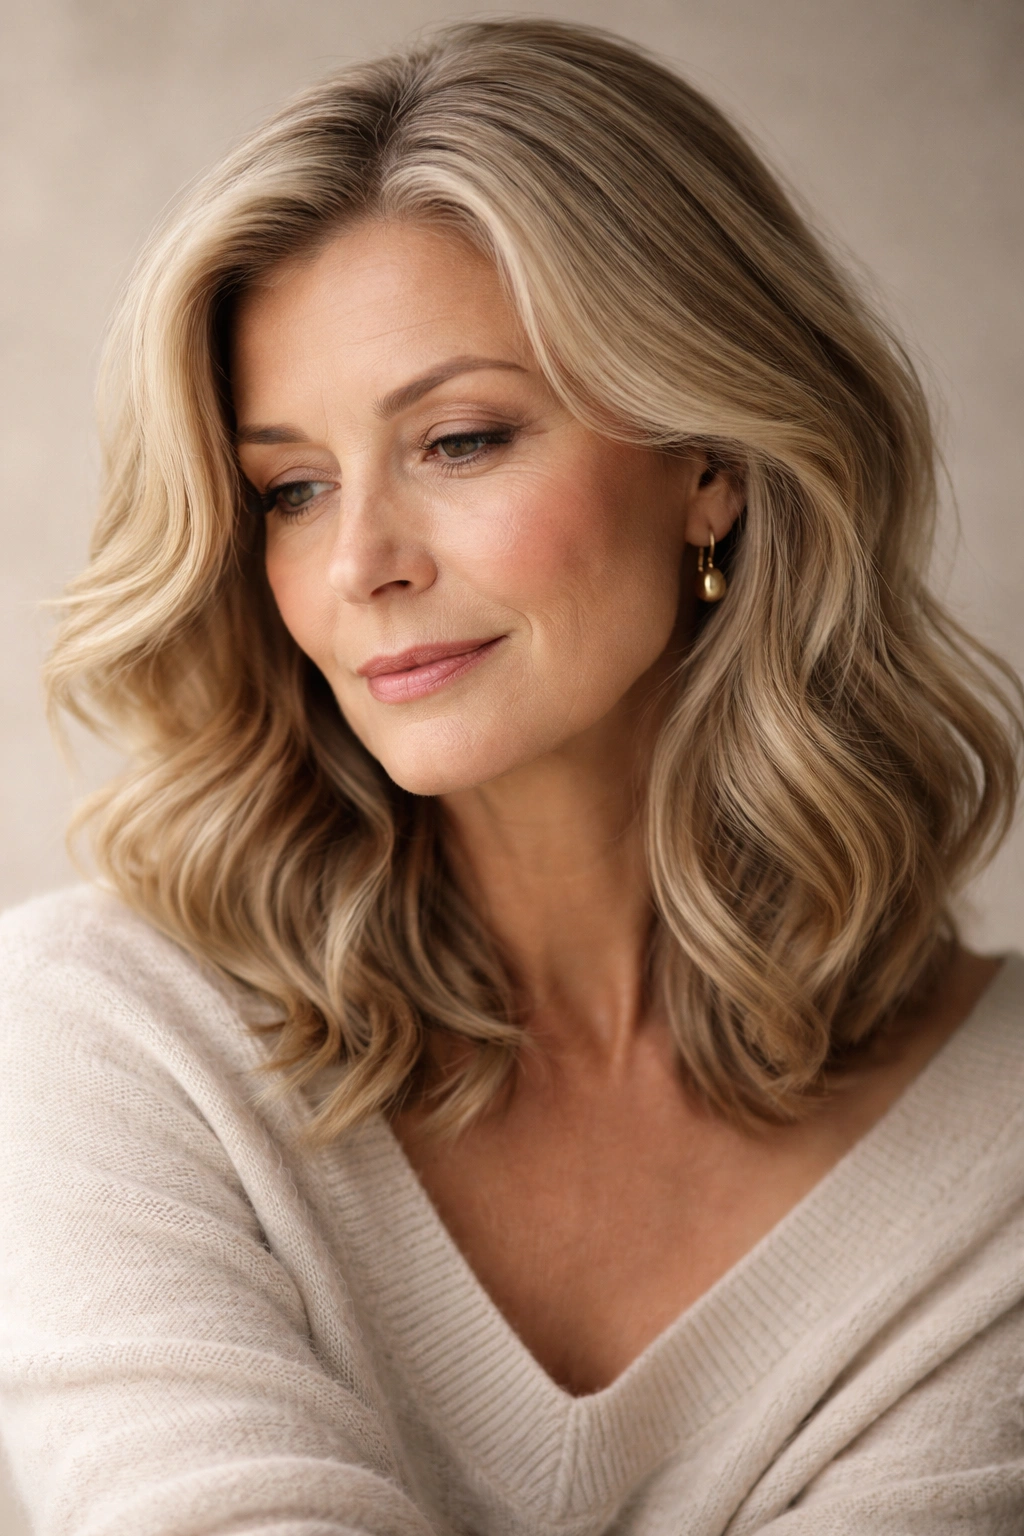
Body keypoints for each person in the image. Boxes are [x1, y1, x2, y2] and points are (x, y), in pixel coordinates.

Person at [1, 17, 1022, 1534]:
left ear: (710, 461)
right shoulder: (114, 1041)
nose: (359, 564)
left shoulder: (997, 1139)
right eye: (291, 488)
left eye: (461, 440)